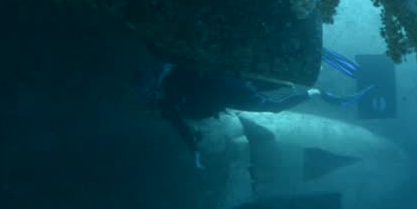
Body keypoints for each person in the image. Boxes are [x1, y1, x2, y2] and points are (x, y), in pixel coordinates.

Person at [135, 60, 372, 170]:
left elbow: (183, 123)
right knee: (268, 90)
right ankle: (309, 86)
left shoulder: (173, 82)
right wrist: (195, 150)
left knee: (272, 104)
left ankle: (314, 93)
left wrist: (195, 149)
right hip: (226, 91)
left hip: (226, 89)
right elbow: (183, 125)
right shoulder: (169, 92)